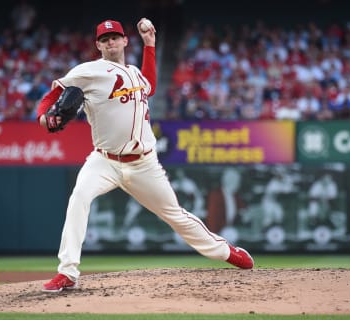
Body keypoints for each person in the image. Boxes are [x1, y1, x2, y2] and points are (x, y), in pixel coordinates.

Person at [36, 18, 254, 293]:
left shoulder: (136, 73)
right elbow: (52, 94)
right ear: (98, 46)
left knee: (176, 215)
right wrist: (44, 118)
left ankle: (227, 253)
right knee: (79, 197)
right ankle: (67, 272)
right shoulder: (88, 71)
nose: (110, 42)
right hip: (104, 160)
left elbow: (149, 85)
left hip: (143, 163)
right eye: (104, 40)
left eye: (114, 37)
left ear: (125, 41)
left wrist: (150, 45)